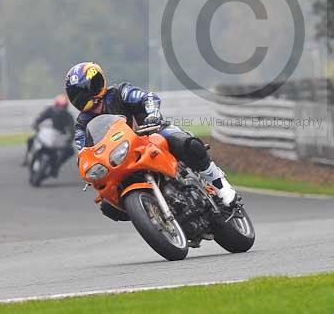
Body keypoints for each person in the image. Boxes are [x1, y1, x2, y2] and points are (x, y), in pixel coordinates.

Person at [64, 62, 237, 220]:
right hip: (119, 158)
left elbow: (148, 98)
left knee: (188, 145)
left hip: (150, 135)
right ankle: (151, 215)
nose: (87, 99)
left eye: (89, 90)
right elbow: (83, 151)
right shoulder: (82, 123)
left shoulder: (119, 92)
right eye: (80, 98)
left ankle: (220, 185)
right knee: (108, 207)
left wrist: (152, 113)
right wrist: (86, 165)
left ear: (98, 84)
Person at [23, 94, 75, 177]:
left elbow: (72, 129)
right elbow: (40, 117)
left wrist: (70, 138)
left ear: (66, 107)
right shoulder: (50, 110)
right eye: (59, 106)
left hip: (59, 138)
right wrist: (36, 124)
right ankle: (26, 158)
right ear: (55, 104)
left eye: (63, 106)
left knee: (70, 150)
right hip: (47, 134)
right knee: (31, 140)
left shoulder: (68, 116)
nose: (61, 108)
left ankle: (56, 166)